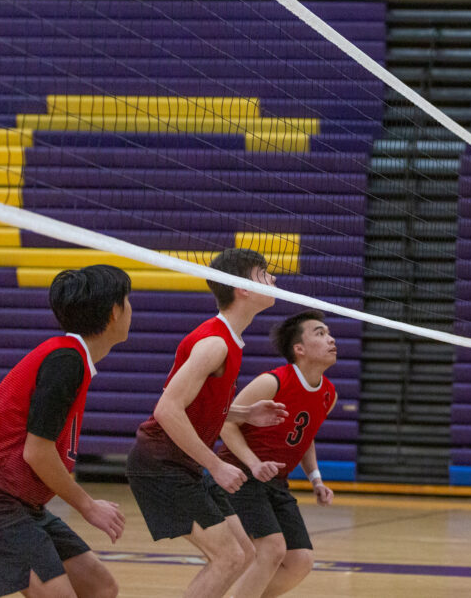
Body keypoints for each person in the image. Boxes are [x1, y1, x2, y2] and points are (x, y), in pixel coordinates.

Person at [0, 265, 132, 598]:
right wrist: (88, 506)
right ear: (114, 312)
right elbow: (37, 452)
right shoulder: (65, 361)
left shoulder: (70, 357)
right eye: (127, 300)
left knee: (100, 587)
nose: (131, 309)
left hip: (23, 503)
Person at [125, 248, 289, 598]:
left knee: (243, 553)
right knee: (229, 557)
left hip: (182, 462)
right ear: (242, 288)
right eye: (263, 273)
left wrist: (244, 414)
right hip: (160, 463)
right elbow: (168, 409)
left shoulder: (229, 338)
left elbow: (193, 406)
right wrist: (216, 465)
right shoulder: (215, 343)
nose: (273, 278)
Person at [215, 310, 338, 598]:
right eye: (320, 333)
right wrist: (254, 464)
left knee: (300, 561)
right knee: (271, 549)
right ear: (299, 349)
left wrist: (316, 480)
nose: (331, 339)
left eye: (329, 333)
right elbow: (225, 422)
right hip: (240, 475)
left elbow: (305, 436)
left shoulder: (329, 394)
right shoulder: (272, 382)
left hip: (276, 482)